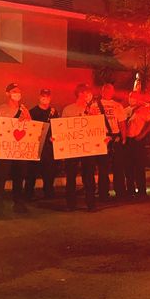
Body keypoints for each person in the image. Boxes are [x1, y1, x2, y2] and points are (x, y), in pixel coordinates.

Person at [0, 83, 31, 216]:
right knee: (1, 178)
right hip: (3, 150)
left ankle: (19, 204)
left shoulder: (25, 110)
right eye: (14, 91)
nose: (17, 94)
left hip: (19, 151)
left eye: (19, 91)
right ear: (7, 93)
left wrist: (27, 118)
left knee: (19, 177)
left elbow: (30, 130)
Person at [61, 83, 99, 212]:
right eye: (86, 93)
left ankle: (91, 203)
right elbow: (62, 128)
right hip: (72, 148)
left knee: (89, 175)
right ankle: (70, 203)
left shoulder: (93, 110)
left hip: (88, 148)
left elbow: (96, 127)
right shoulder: (68, 110)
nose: (89, 96)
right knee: (71, 175)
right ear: (80, 94)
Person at [94, 83, 128, 201]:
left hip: (115, 138)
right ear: (102, 92)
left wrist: (123, 137)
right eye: (106, 90)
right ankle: (103, 193)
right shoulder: (94, 105)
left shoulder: (118, 106)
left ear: (113, 92)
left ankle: (120, 192)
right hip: (102, 139)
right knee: (103, 168)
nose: (108, 92)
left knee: (118, 166)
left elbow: (122, 122)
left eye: (110, 90)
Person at [24, 88, 58, 200]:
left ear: (50, 98)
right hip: (36, 146)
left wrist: (55, 137)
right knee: (31, 172)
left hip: (49, 147)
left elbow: (58, 127)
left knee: (49, 172)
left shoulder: (54, 112)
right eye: (43, 96)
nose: (45, 98)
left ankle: (49, 193)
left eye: (47, 96)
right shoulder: (32, 112)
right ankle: (28, 194)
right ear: (39, 97)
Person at [125, 91, 150, 200]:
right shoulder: (125, 110)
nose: (131, 99)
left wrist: (143, 134)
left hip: (138, 140)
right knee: (128, 167)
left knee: (139, 167)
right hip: (127, 141)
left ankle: (142, 191)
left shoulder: (144, 110)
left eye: (134, 97)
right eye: (130, 96)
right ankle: (130, 191)